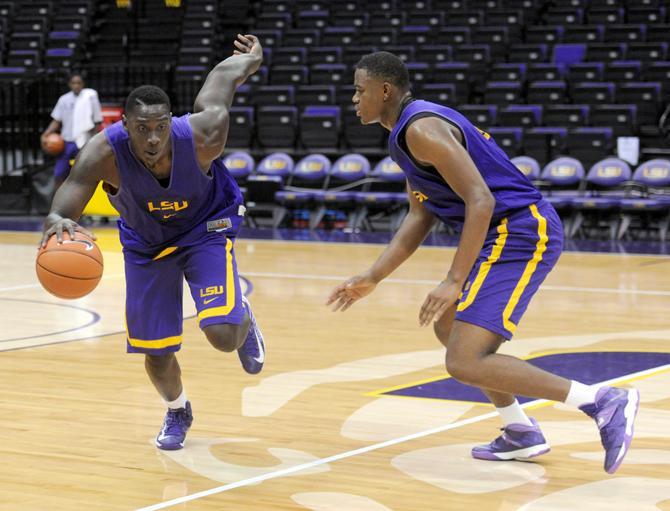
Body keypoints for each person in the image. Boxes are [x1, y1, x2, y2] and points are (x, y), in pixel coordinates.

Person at [327, 51, 639, 474]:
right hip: (499, 233)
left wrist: (454, 280)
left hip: (520, 230)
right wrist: (373, 277)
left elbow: (481, 199)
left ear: (385, 90)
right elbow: (420, 214)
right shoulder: (404, 135)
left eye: (359, 90)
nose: (354, 99)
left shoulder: (422, 129)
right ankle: (520, 432)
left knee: (464, 360)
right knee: (448, 327)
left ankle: (601, 400)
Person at [39, 34, 266, 451]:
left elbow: (221, 81)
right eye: (142, 129)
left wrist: (250, 59)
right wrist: (56, 218)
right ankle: (178, 410)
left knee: (223, 336)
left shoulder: (202, 134)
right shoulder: (103, 152)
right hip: (146, 244)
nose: (153, 138)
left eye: (161, 127)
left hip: (205, 228)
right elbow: (73, 190)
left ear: (170, 122)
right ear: (125, 125)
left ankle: (243, 317)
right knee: (156, 353)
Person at [40, 73, 103, 191]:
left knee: (83, 175)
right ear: (69, 84)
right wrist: (45, 134)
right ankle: (55, 207)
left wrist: (94, 142)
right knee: (59, 175)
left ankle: (81, 206)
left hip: (85, 141)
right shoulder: (64, 99)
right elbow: (56, 120)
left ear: (83, 84)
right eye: (74, 83)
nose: (76, 85)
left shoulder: (90, 97)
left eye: (79, 83)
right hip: (67, 142)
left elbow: (97, 121)